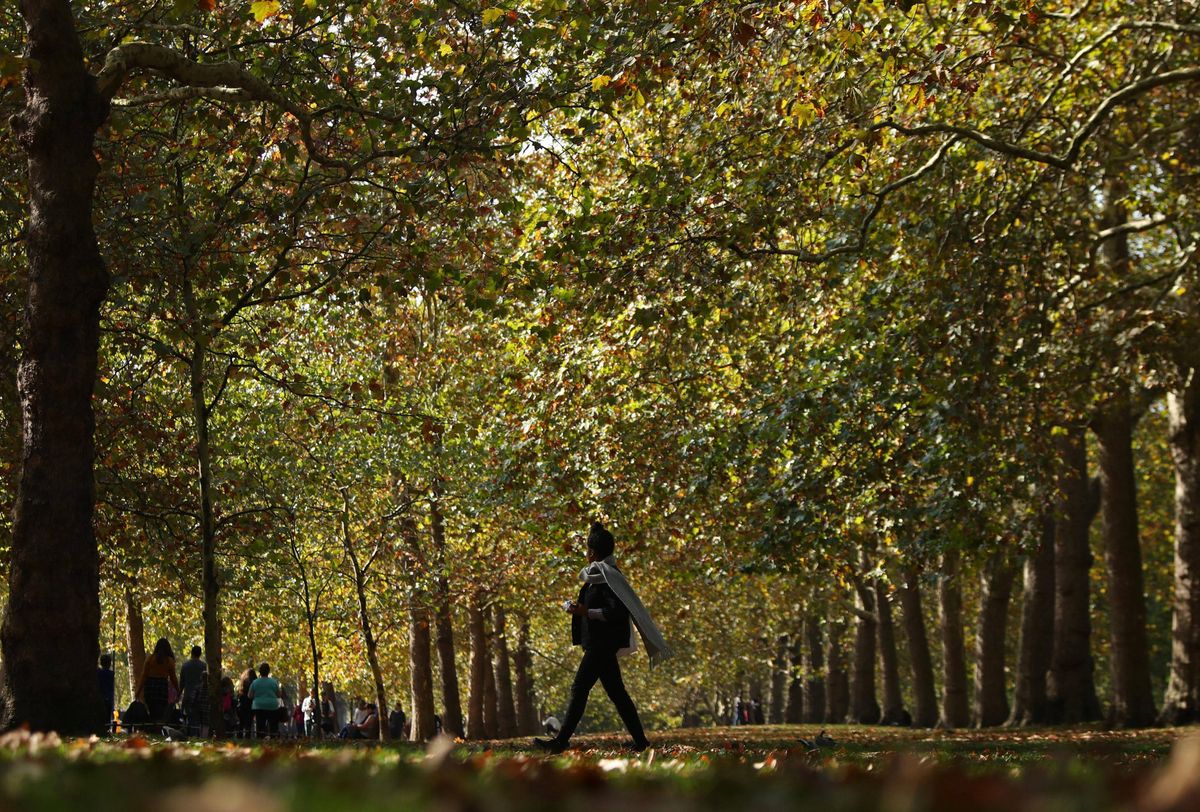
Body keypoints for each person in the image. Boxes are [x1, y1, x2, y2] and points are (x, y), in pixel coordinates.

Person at [533, 521, 672, 754]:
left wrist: (585, 612)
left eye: (588, 550)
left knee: (579, 688)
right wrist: (578, 607)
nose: (586, 555)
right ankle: (641, 742)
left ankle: (561, 741)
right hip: (598, 643)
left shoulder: (609, 577)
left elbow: (616, 612)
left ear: (593, 552)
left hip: (602, 643)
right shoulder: (598, 576)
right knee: (617, 693)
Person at [135, 638, 180, 724]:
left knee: (152, 708)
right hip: (162, 687)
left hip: (150, 687)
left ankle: (151, 726)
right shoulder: (169, 661)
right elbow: (173, 678)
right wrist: (178, 691)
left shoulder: (150, 659)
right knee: (161, 710)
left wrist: (138, 691)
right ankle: (158, 727)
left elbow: (143, 676)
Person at [179, 645, 208, 736]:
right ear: (200, 654)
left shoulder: (185, 665)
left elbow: (182, 682)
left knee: (190, 718)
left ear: (191, 653)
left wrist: (179, 695)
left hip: (188, 695)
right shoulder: (204, 666)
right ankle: (199, 736)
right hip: (201, 696)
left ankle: (190, 735)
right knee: (200, 719)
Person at [249, 663, 282, 738]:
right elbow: (279, 695)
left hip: (258, 706)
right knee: (273, 726)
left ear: (259, 672)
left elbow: (249, 695)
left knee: (260, 726)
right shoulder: (273, 682)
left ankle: (260, 740)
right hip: (272, 706)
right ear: (268, 671)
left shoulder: (255, 682)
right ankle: (273, 739)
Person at [97, 654, 116, 733]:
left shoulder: (99, 672)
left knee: (100, 715)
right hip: (109, 698)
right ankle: (107, 729)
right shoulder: (111, 673)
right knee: (108, 716)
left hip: (100, 697)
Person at [237, 668, 256, 737]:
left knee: (241, 723)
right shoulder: (254, 683)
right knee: (249, 723)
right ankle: (248, 737)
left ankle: (239, 736)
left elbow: (239, 694)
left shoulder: (243, 682)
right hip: (251, 705)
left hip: (242, 705)